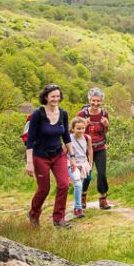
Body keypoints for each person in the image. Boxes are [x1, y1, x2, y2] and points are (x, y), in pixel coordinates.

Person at [26, 84, 76, 228]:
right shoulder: (38, 114)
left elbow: (66, 137)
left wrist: (72, 157)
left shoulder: (63, 113)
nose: (56, 99)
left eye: (58, 96)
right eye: (52, 96)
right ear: (46, 97)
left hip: (58, 154)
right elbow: (30, 140)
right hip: (40, 156)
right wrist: (29, 162)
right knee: (44, 189)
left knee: (64, 185)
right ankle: (33, 213)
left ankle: (58, 219)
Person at [78, 88, 111, 210]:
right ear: (89, 100)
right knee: (87, 174)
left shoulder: (104, 114)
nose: (96, 103)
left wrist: (106, 126)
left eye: (98, 101)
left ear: (102, 101)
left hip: (100, 147)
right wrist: (83, 126)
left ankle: (103, 199)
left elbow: (105, 131)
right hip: (85, 149)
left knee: (102, 173)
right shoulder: (82, 115)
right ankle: (82, 196)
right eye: (93, 100)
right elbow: (74, 132)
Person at [69, 116, 93, 219]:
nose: (81, 130)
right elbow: (63, 152)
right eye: (78, 128)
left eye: (83, 128)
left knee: (79, 185)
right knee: (78, 184)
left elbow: (90, 150)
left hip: (83, 165)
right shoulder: (69, 138)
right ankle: (78, 208)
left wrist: (90, 163)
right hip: (72, 164)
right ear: (73, 128)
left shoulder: (87, 138)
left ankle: (76, 207)